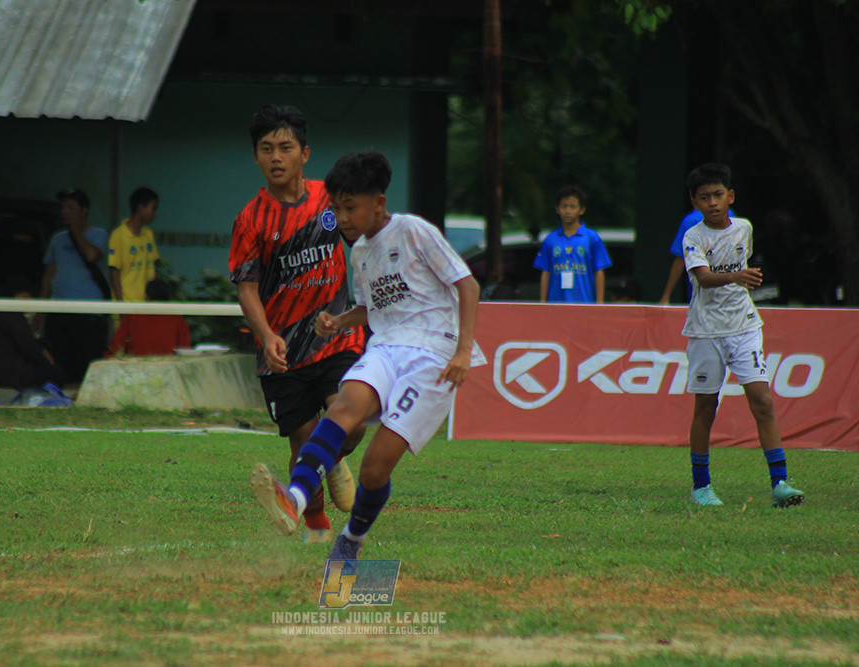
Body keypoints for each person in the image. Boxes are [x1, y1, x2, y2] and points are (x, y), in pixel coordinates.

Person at [250, 152, 486, 560]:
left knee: (375, 469)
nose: (341, 217)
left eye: (350, 207)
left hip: (433, 357)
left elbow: (467, 285)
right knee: (344, 409)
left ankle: (352, 540)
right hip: (387, 347)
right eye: (336, 208)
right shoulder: (359, 252)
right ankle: (295, 499)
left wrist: (463, 351)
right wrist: (339, 322)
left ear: (378, 201)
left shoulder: (413, 231)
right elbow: (376, 310)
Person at [229, 104, 365, 544]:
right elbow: (247, 288)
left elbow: (363, 240)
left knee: (355, 421)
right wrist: (267, 336)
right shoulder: (251, 220)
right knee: (305, 443)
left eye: (285, 147)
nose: (276, 156)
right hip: (284, 351)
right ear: (255, 157)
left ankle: (333, 456)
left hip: (337, 334)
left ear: (304, 153)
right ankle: (317, 527)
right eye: (266, 148)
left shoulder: (330, 198)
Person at [680, 163, 804, 508]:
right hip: (706, 331)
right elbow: (703, 278)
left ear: (730, 196)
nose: (713, 203)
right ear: (695, 203)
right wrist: (737, 276)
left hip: (745, 326)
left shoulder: (744, 228)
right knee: (706, 406)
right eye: (704, 198)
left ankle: (780, 483)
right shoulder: (694, 236)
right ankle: (701, 486)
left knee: (762, 401)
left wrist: (738, 279)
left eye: (718, 195)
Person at [40, 189, 109, 384]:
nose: (65, 211)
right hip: (59, 310)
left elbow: (92, 256)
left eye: (71, 207)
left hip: (88, 312)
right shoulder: (57, 239)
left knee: (86, 363)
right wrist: (40, 309)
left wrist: (76, 230)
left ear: (84, 210)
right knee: (60, 362)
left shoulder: (99, 234)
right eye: (64, 207)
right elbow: (49, 275)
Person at [0, 277, 65, 390]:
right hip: (6, 375)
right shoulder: (12, 315)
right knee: (56, 373)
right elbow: (30, 349)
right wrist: (46, 361)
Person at [533, 186, 612, 303]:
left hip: (584, 304)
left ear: (582, 210)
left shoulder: (592, 238)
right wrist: (542, 304)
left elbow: (599, 271)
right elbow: (545, 272)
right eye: (564, 206)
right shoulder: (550, 240)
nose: (568, 211)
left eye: (573, 207)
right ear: (557, 209)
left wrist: (599, 305)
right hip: (556, 305)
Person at [658, 206, 736, 305]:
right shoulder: (730, 213)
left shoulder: (690, 220)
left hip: (713, 294)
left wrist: (666, 296)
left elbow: (680, 260)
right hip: (721, 292)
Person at [105, 279, 190, 357]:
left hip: (135, 369)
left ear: (146, 296)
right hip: (168, 369)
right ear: (169, 297)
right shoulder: (178, 320)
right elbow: (185, 353)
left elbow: (115, 349)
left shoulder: (132, 318)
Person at [108, 187, 160, 303]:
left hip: (146, 304)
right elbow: (114, 273)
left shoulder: (149, 235)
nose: (155, 214)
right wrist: (121, 306)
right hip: (127, 302)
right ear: (141, 208)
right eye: (153, 209)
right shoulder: (118, 235)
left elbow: (153, 268)